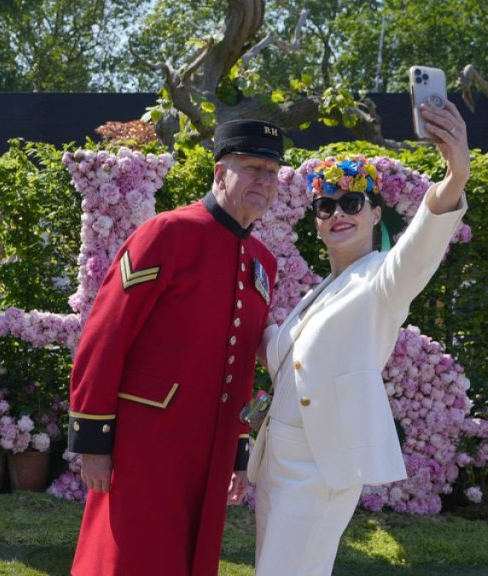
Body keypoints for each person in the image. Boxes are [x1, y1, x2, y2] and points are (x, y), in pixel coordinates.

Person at [249, 100, 470, 576]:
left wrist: (454, 178)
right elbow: (280, 355)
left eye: (352, 203)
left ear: (375, 214)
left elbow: (419, 249)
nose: (337, 213)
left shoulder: (383, 281)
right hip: (275, 466)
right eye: (326, 206)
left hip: (319, 468)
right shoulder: (317, 292)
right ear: (316, 222)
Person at [68, 119, 284, 576]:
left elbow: (242, 363)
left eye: (271, 171)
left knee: (191, 559)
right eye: (251, 168)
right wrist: (93, 439)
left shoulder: (263, 261)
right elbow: (107, 333)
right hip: (147, 441)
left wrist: (240, 452)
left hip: (213, 446)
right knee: (129, 557)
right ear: (219, 173)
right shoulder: (167, 233)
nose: (263, 181)